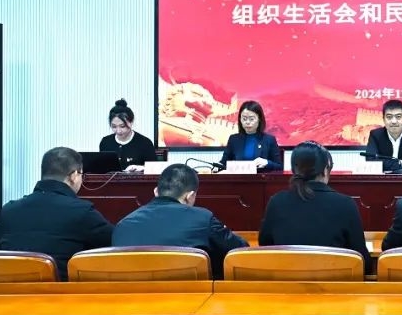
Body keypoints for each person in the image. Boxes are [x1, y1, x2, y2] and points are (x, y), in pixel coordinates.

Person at [0, 147, 113, 280]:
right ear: (73, 176)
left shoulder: (8, 210)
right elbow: (113, 243)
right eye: (81, 174)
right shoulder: (82, 211)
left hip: (14, 290)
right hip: (63, 291)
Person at [112, 163, 248, 278]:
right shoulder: (203, 219)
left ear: (156, 192)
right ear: (190, 196)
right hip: (191, 298)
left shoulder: (123, 225)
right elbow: (241, 252)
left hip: (129, 299)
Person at [259, 141, 372, 272]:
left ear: (294, 170)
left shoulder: (277, 202)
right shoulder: (346, 204)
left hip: (286, 280)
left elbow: (265, 247)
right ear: (325, 170)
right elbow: (362, 261)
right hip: (333, 281)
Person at [219, 100, 283, 172]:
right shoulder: (233, 139)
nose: (247, 122)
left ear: (259, 119)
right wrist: (216, 167)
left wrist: (267, 163)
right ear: (240, 119)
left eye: (251, 119)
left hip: (260, 178)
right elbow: (223, 164)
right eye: (244, 119)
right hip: (238, 178)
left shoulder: (269, 140)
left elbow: (279, 167)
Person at [364, 100, 402, 173]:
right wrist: (400, 164)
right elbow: (371, 161)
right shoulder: (376, 135)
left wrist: (389, 165)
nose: (394, 121)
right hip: (383, 179)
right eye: (389, 117)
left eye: (398, 117)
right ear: (383, 119)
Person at [99, 98, 157, 172]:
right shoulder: (105, 142)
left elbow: (154, 170)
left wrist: (141, 168)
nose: (118, 131)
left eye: (122, 126)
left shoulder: (145, 143)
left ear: (131, 122)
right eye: (114, 126)